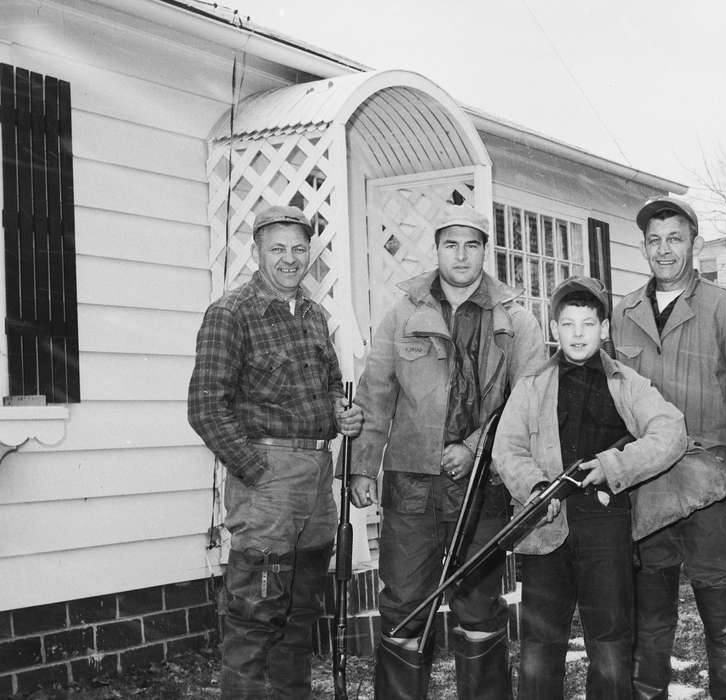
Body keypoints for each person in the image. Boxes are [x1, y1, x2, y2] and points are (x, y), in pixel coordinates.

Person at [349, 203, 546, 700]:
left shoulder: (516, 321)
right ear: (436, 249)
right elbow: (376, 391)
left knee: (478, 607)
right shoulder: (402, 314)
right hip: (411, 485)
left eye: (472, 244)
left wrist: (476, 448)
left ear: (486, 250)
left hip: (481, 485)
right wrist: (361, 466)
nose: (461, 254)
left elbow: (530, 400)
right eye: (451, 244)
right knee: (404, 607)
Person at [187, 204, 363, 699]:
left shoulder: (312, 314)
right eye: (278, 248)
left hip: (317, 480)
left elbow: (330, 387)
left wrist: (342, 414)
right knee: (254, 618)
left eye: (299, 248)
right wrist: (256, 471)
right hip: (268, 483)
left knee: (299, 616)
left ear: (311, 252)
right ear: (258, 250)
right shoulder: (231, 313)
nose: (290, 259)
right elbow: (204, 406)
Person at [493, 276, 688, 699]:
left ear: (604, 329)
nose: (577, 333)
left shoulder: (627, 383)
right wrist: (535, 487)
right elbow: (505, 449)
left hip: (606, 525)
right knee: (540, 648)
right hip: (546, 525)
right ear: (553, 330)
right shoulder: (531, 387)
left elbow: (671, 431)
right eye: (567, 324)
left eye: (587, 323)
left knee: (612, 643)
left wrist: (612, 464)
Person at [612, 195, 726, 700]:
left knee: (725, 617)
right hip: (647, 486)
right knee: (649, 621)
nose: (664, 250)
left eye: (675, 238)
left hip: (708, 482)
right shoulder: (621, 313)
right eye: (654, 240)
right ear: (644, 247)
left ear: (693, 242)